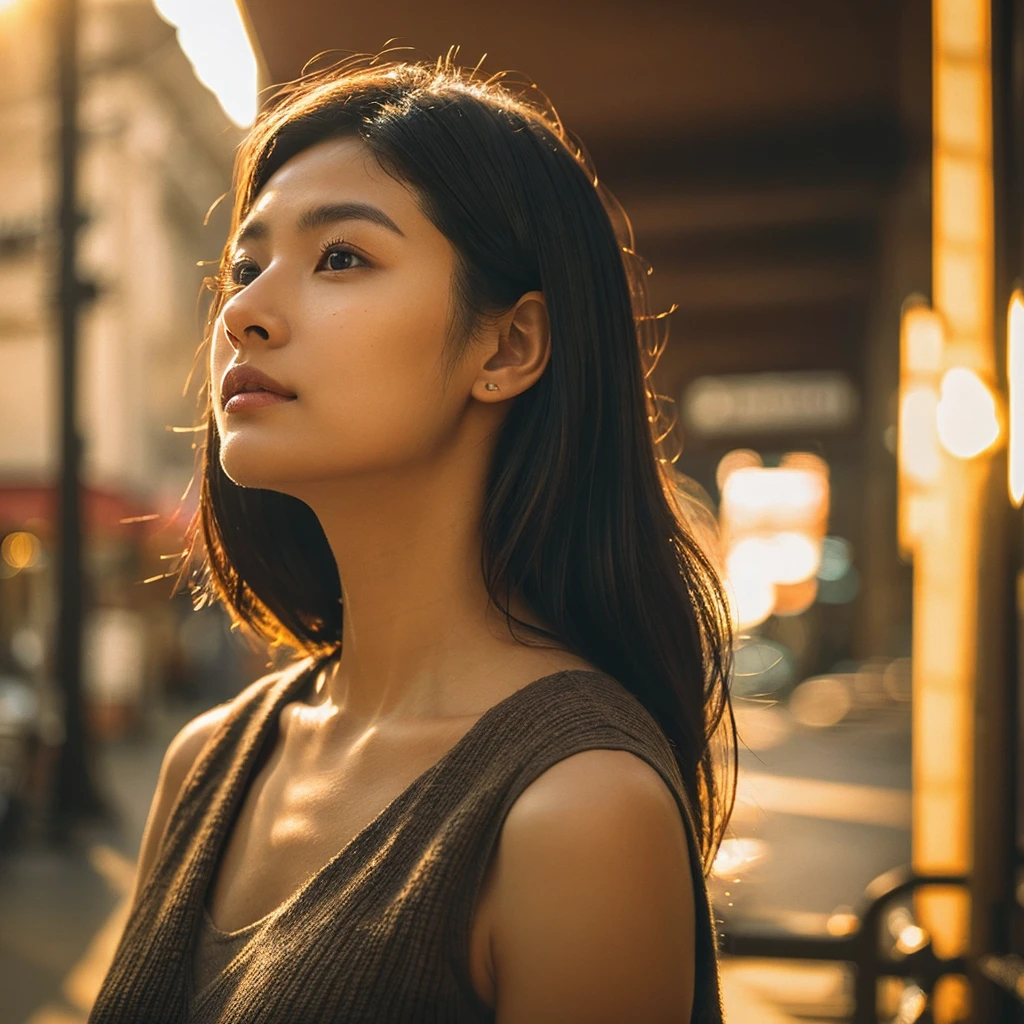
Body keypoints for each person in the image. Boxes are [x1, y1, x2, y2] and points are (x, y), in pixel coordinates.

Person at [88, 53, 737, 1024]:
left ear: (508, 346)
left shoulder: (578, 809)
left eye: (340, 257)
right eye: (245, 263)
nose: (242, 312)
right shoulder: (209, 758)